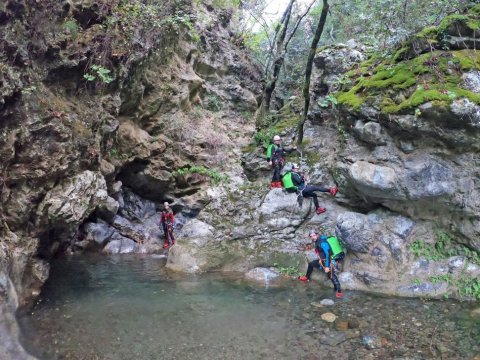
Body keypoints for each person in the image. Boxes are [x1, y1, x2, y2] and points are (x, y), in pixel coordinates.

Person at [298, 230, 344, 298]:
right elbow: (319, 249)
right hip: (322, 260)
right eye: (311, 236)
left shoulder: (323, 243)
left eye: (314, 235)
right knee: (311, 264)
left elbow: (328, 254)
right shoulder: (317, 240)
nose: (313, 237)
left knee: (331, 275)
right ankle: (306, 277)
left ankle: (339, 291)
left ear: (317, 235)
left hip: (328, 260)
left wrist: (327, 266)